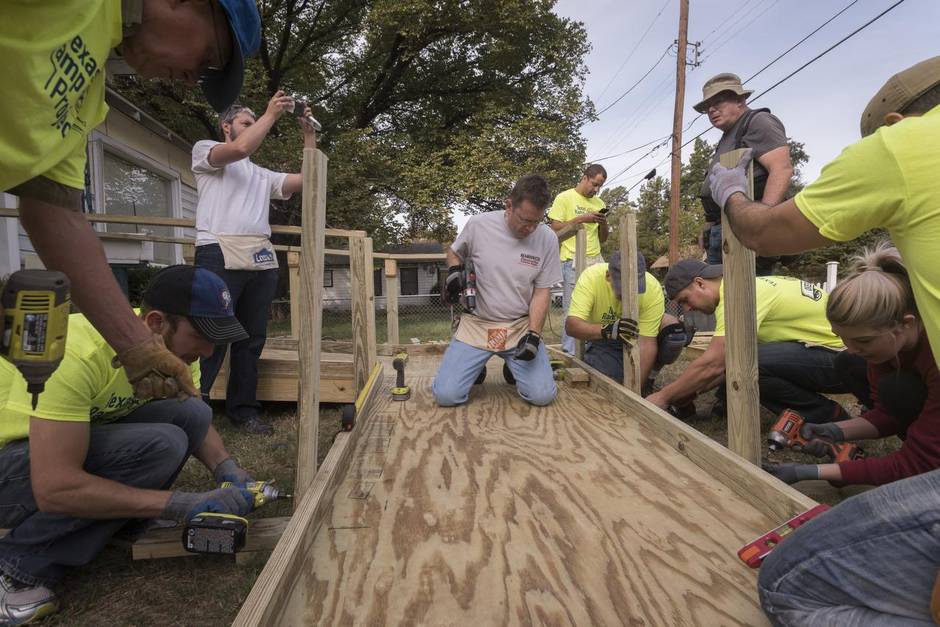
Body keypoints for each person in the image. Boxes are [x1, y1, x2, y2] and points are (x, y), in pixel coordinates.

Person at [704, 57, 940, 624]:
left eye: (862, 346)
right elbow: (888, 416)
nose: (855, 356)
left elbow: (914, 460)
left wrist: (736, 196)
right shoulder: (901, 348)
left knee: (790, 583)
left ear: (894, 121)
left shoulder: (904, 144)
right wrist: (830, 430)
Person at [0, 0, 262, 404]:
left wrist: (138, 347)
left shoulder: (87, 98)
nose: (193, 80)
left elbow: (56, 214)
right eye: (207, 56)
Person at [0, 265, 259, 624]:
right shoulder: (73, 356)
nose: (209, 348)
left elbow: (194, 417)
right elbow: (55, 487)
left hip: (59, 446)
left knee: (191, 414)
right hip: (9, 462)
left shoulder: (175, 355)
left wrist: (226, 468)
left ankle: (119, 522)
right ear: (156, 322)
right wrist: (178, 504)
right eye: (201, 334)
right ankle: (14, 568)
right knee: (160, 444)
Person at [765, 243, 940, 487]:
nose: (853, 348)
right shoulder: (885, 348)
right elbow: (889, 413)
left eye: (863, 340)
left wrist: (812, 472)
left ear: (906, 324)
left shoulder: (935, 355)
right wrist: (834, 430)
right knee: (877, 380)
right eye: (842, 338)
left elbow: (916, 465)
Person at [192, 94, 317, 434]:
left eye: (253, 123)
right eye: (245, 123)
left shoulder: (262, 175)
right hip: (218, 252)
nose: (251, 128)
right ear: (226, 126)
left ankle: (243, 410)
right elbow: (240, 150)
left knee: (250, 339)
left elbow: (306, 181)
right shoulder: (207, 151)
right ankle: (192, 410)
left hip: (258, 257)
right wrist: (270, 114)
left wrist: (308, 136)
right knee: (209, 337)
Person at [646, 259, 863, 422]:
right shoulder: (748, 285)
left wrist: (663, 397)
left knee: (748, 363)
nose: (687, 308)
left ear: (700, 283)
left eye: (685, 300)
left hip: (847, 362)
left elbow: (715, 364)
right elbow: (722, 367)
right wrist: (688, 391)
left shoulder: (736, 297)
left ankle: (828, 419)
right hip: (841, 356)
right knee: (744, 359)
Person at [433, 174, 562, 408]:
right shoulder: (478, 225)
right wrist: (454, 271)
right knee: (446, 396)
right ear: (509, 205)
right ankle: (476, 367)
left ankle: (513, 366)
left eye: (537, 221)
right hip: (478, 325)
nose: (531, 229)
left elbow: (542, 292)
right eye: (525, 220)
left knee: (542, 396)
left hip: (519, 327)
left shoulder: (547, 239)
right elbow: (454, 252)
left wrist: (534, 335)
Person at [693, 73, 793, 274]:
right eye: (707, 107)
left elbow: (782, 168)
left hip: (745, 228)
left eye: (718, 101)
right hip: (723, 228)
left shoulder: (758, 121)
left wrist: (763, 222)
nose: (711, 110)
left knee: (743, 299)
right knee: (723, 300)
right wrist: (709, 225)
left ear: (740, 100)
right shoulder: (728, 136)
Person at [564, 251, 684, 393]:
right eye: (622, 291)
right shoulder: (591, 278)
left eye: (635, 290)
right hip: (604, 339)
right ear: (609, 277)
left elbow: (647, 343)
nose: (629, 297)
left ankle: (648, 381)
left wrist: (635, 391)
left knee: (673, 332)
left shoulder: (652, 287)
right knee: (607, 381)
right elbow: (571, 326)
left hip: (636, 336)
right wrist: (607, 330)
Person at [547, 164, 609, 355]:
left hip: (596, 260)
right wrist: (580, 219)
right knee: (573, 309)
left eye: (600, 186)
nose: (596, 189)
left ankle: (592, 350)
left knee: (598, 306)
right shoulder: (565, 198)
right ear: (584, 178)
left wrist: (603, 223)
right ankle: (570, 352)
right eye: (594, 184)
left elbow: (603, 238)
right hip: (572, 259)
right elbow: (554, 229)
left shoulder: (599, 203)